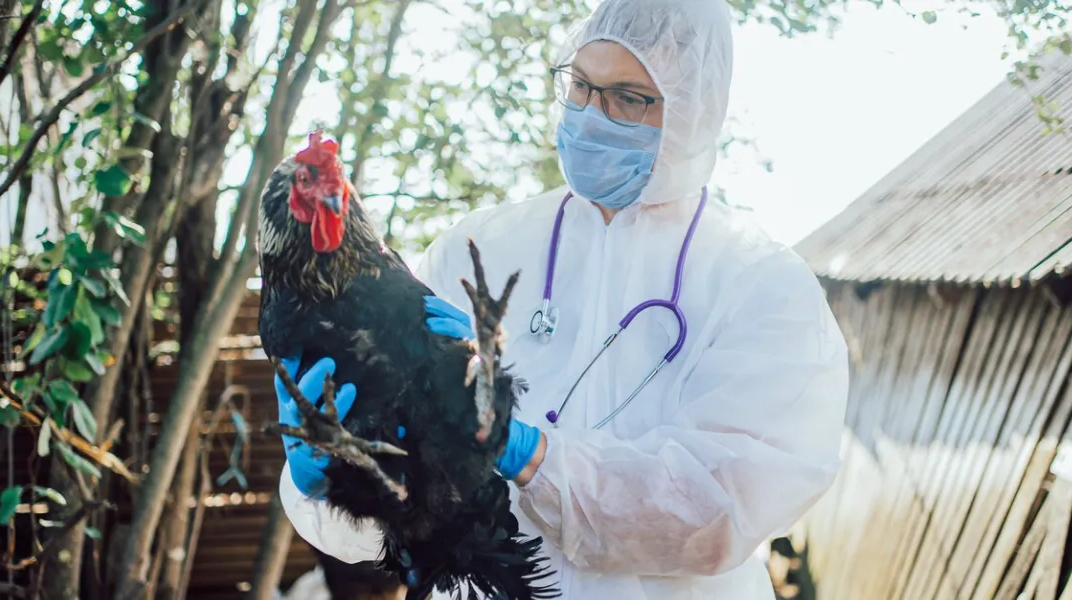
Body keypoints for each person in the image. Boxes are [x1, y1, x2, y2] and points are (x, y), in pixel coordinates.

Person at [276, 0, 850, 597]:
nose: (591, 114)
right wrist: (335, 475)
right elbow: (401, 520)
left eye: (627, 97)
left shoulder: (759, 285)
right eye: (579, 85)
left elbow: (720, 510)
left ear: (692, 110)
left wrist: (526, 453)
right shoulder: (475, 250)